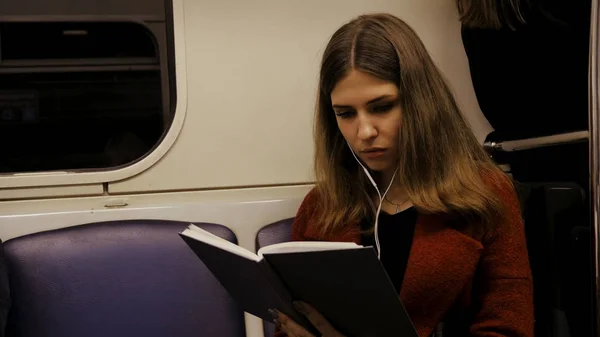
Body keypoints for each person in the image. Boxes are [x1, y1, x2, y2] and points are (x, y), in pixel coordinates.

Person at [269, 12, 534, 337]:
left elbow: (508, 328)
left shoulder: (486, 195)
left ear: (420, 102)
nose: (364, 131)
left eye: (382, 107)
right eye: (345, 113)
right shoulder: (323, 205)